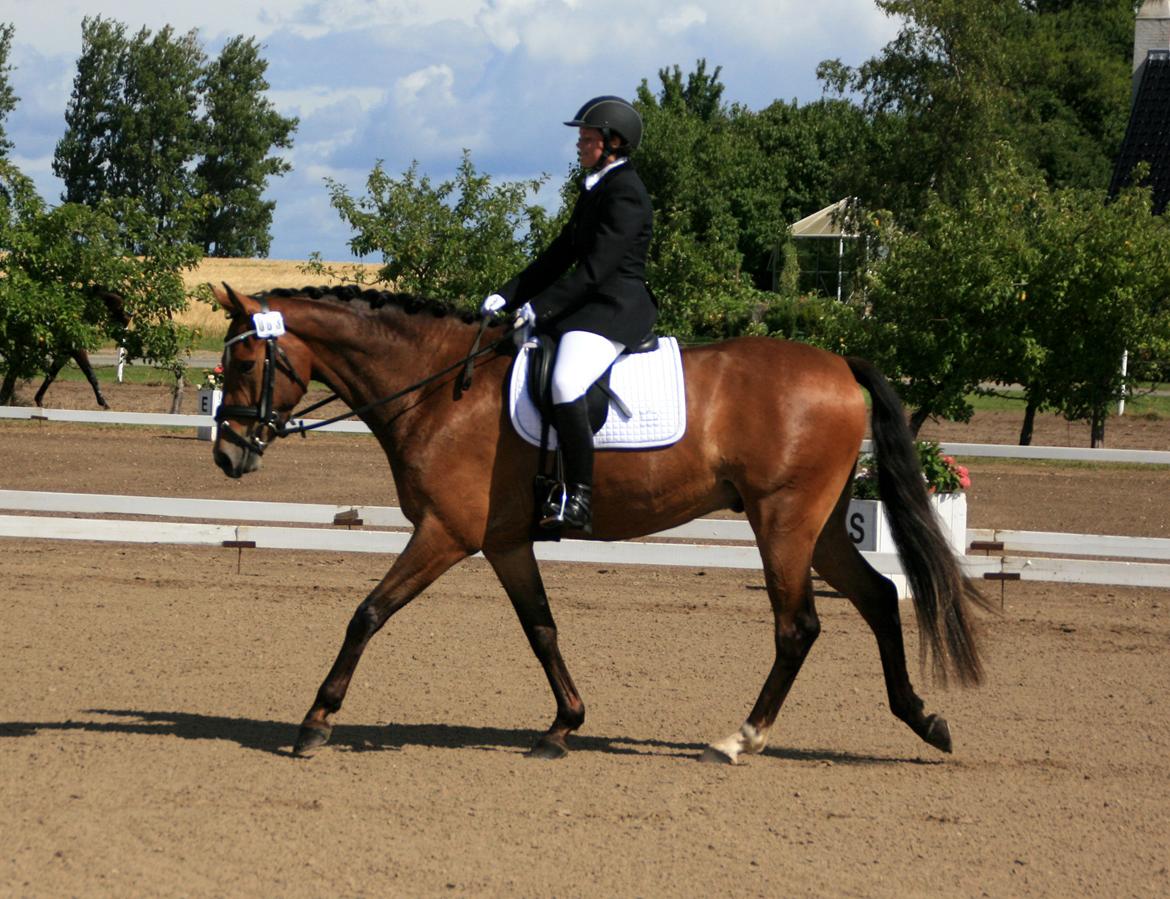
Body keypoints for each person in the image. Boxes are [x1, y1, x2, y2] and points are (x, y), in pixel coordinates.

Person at [481, 95, 656, 534]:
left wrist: (538, 308)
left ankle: (578, 497)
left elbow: (596, 270)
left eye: (587, 138)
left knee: (565, 381)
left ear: (613, 142)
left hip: (615, 307)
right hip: (588, 304)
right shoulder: (594, 185)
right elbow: (559, 254)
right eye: (581, 138)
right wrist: (507, 295)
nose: (579, 145)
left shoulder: (626, 192)